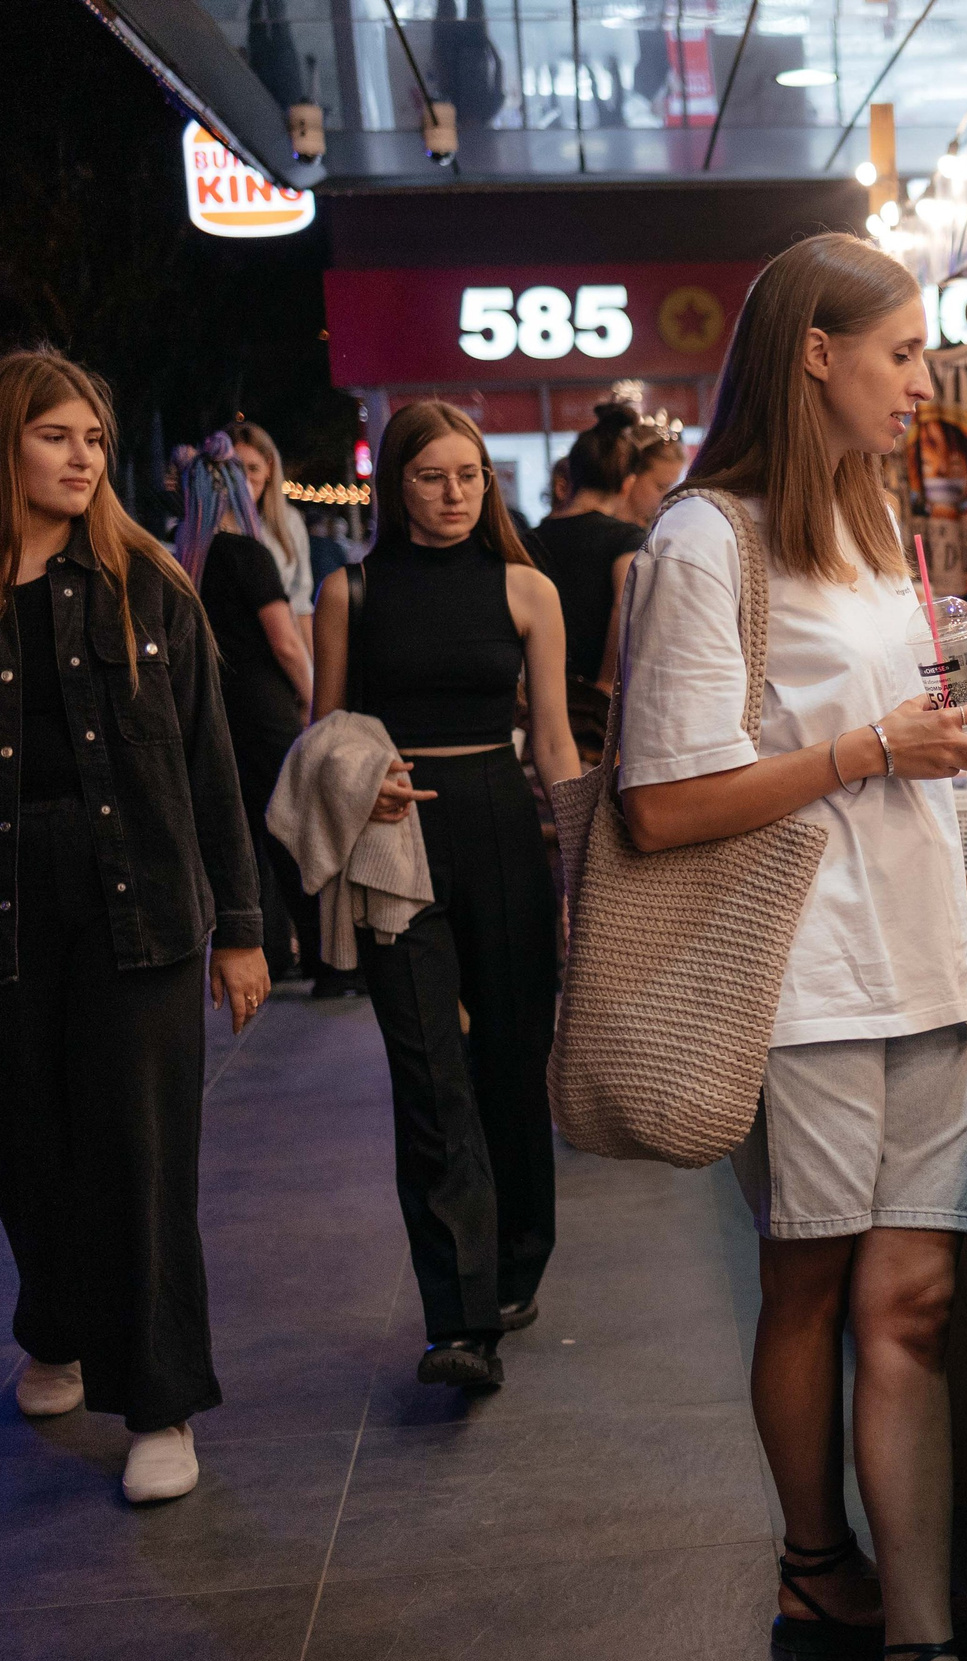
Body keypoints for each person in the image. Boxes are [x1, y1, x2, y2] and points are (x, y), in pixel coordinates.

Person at [615, 232, 967, 1661]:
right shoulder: (707, 540)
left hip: (919, 968)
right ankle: (824, 1564)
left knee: (918, 1299)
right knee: (810, 1288)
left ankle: (916, 1627)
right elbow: (664, 803)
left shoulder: (880, 523)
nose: (921, 381)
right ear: (817, 352)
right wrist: (878, 748)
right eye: (899, 353)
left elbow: (896, 777)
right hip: (800, 983)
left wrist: (958, 909)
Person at [0, 349, 268, 1504]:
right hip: (14, 909)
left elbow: (214, 763)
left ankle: (161, 1404)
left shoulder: (147, 581)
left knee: (144, 1161)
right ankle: (54, 1323)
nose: (81, 457)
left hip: (143, 905)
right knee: (27, 1147)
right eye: (55, 435)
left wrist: (245, 926)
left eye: (95, 439)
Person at [311, 399, 582, 1390]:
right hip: (393, 843)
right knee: (430, 1076)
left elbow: (553, 742)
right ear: (395, 483)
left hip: (503, 827)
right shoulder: (351, 592)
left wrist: (583, 867)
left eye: (471, 475)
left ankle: (516, 1261)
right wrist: (357, 778)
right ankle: (456, 1318)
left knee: (512, 1059)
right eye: (433, 476)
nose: (456, 494)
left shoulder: (526, 590)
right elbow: (323, 736)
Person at [174, 434, 320, 987]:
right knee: (291, 832)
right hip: (264, 710)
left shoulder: (180, 562)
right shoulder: (249, 554)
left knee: (240, 836)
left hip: (211, 710)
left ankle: (269, 953)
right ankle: (326, 961)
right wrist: (312, 697)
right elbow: (284, 640)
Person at [532, 403, 650, 758]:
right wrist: (605, 682)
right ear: (627, 484)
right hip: (594, 701)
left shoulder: (531, 539)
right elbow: (624, 604)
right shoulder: (625, 537)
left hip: (541, 693)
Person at [230, 420, 314, 644]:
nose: (244, 480)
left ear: (269, 468)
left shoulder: (289, 522)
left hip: (283, 649)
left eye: (253, 468)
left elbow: (301, 604)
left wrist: (312, 670)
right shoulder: (213, 529)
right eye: (235, 469)